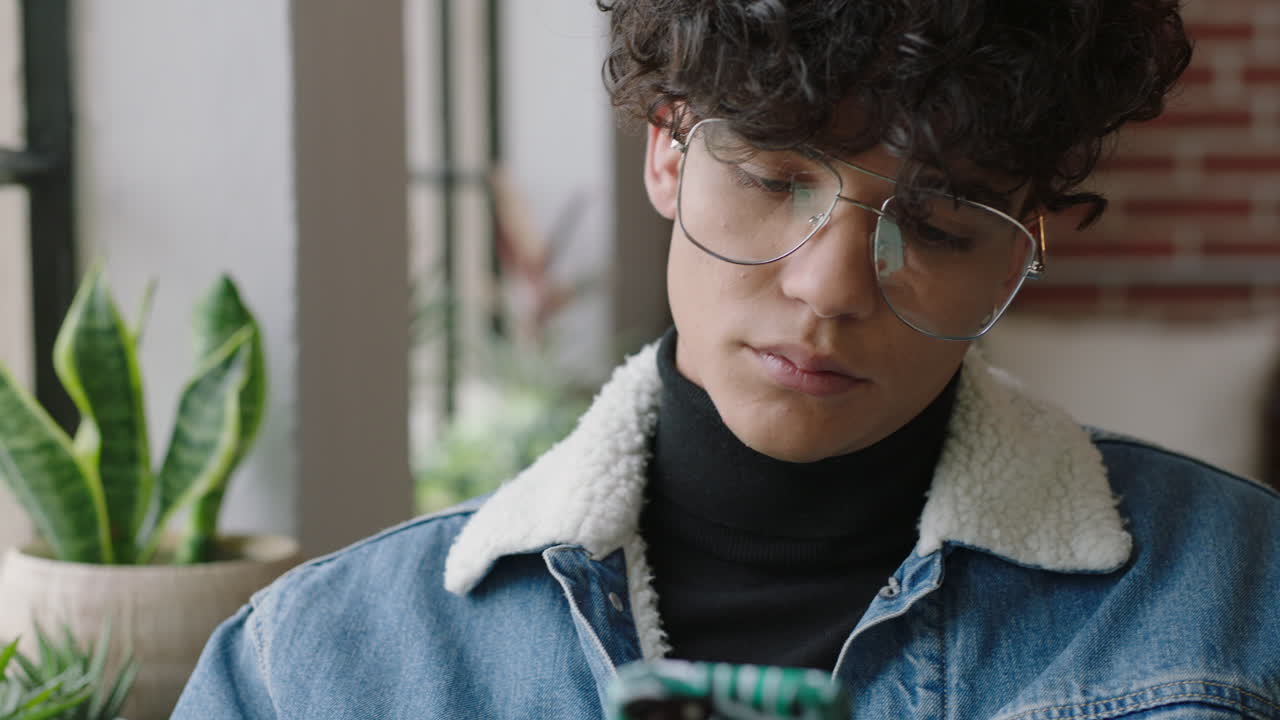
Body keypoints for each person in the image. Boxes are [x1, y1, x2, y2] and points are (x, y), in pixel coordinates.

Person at [174, 1, 1280, 718]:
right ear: (667, 151)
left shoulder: (1246, 601)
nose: (829, 287)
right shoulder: (311, 668)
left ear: (1025, 248)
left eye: (940, 225)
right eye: (771, 179)